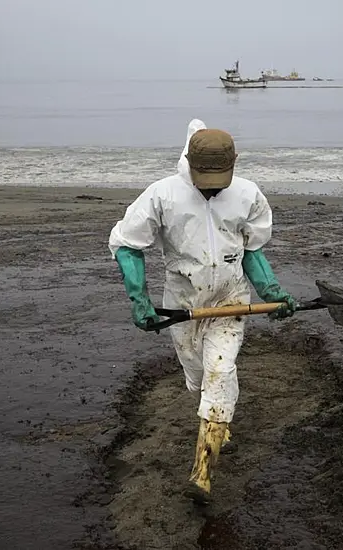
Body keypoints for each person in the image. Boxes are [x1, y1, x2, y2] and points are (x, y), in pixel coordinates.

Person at [107, 118, 296, 504]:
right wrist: (138, 300)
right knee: (198, 377)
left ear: (235, 164)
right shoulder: (162, 195)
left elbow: (253, 250)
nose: (210, 187)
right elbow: (128, 244)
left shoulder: (247, 195)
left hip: (230, 299)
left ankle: (203, 472)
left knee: (220, 372)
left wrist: (272, 292)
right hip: (183, 303)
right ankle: (217, 417)